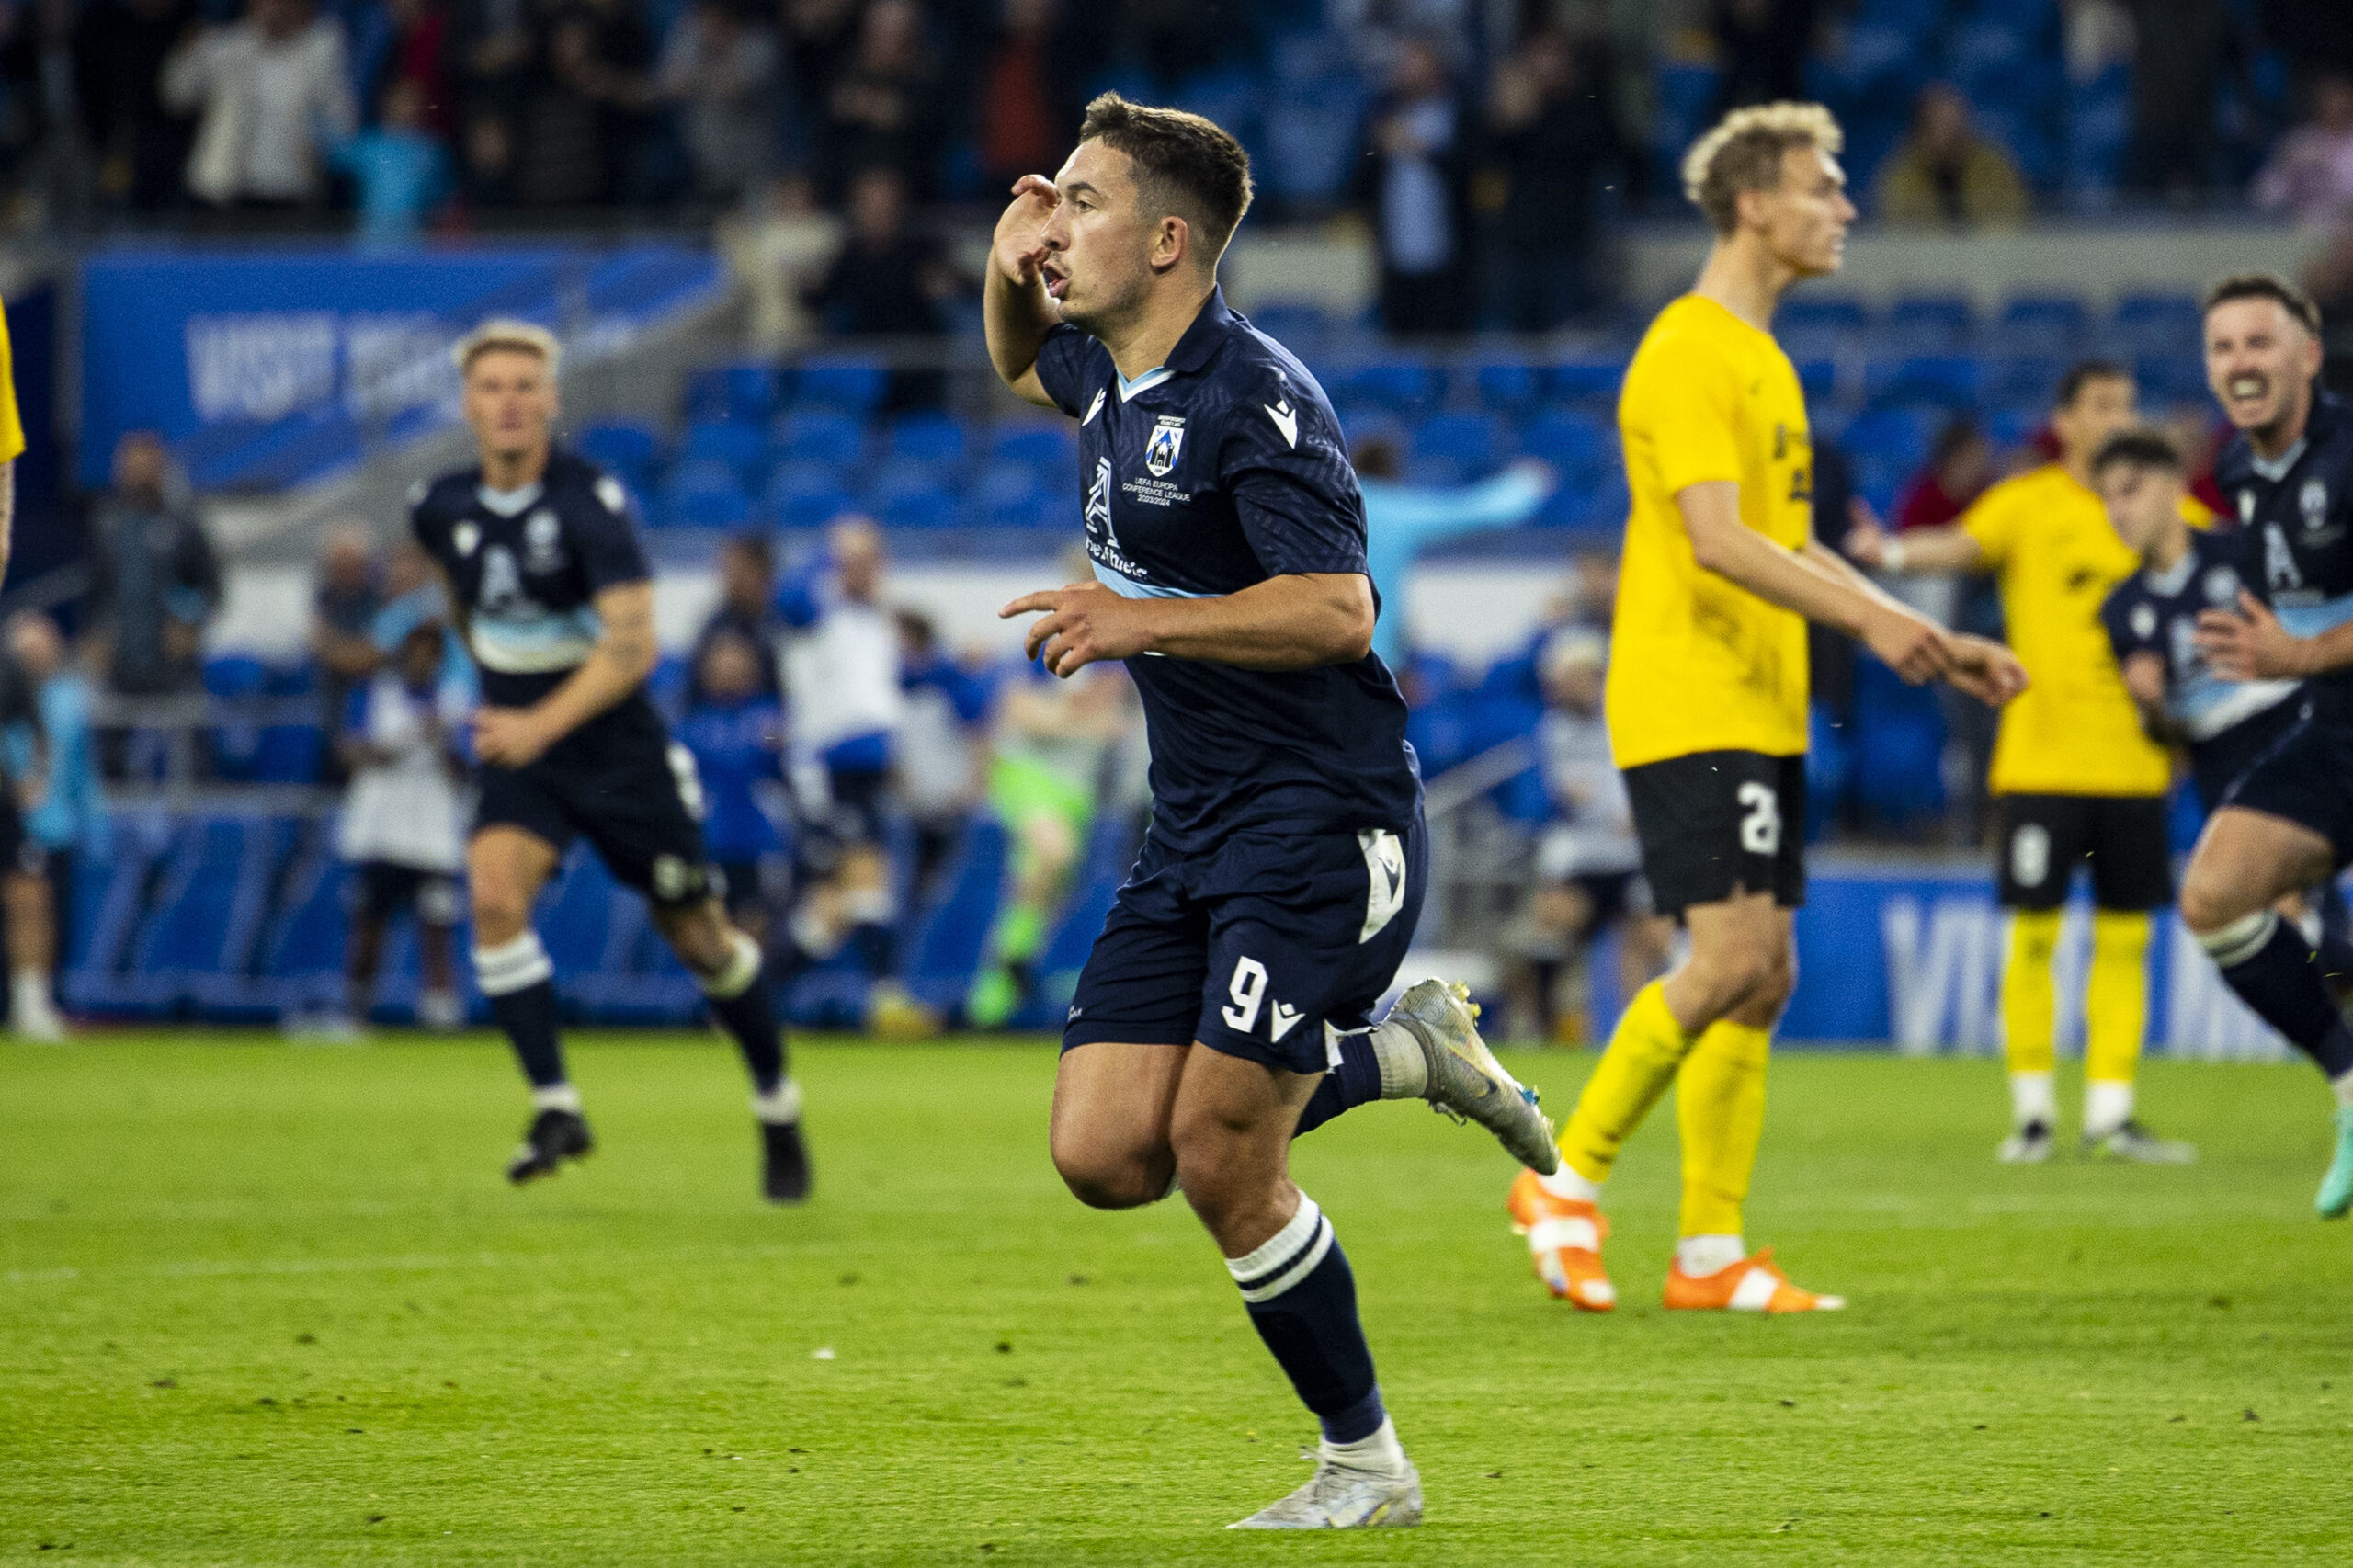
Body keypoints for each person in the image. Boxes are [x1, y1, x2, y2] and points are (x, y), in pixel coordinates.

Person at [984, 90, 1559, 1531]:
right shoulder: (1116, 369)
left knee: (1223, 1153)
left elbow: (1337, 607)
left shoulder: (1257, 394)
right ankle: (1411, 1058)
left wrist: (1140, 619)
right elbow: (1016, 370)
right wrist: (1014, 266)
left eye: (1089, 204)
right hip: (1195, 826)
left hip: (1322, 818)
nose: (1064, 228)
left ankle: (1366, 1466)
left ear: (1170, 240)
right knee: (1104, 1153)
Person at [1507, 102, 2026, 1317]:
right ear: (1753, 202)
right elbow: (1717, 540)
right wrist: (1873, 622)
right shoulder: (1689, 348)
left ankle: (1709, 1251)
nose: (1845, 207)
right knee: (1729, 955)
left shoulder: (1764, 358)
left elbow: (1788, 543)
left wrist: (1926, 629)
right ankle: (1563, 1179)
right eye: (1823, 186)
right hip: (1691, 692)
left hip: (1761, 699)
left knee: (1765, 971)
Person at [410, 319, 809, 1201]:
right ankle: (557, 1104)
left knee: (702, 942)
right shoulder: (439, 506)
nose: (509, 402)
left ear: (552, 402)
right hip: (527, 746)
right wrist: (495, 692)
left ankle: (776, 1103)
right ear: (468, 405)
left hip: (619, 753)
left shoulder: (590, 504)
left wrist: (534, 723)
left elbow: (631, 650)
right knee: (492, 897)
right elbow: (460, 603)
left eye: (526, 386)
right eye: (492, 387)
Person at [1847, 361, 2195, 1165]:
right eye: (2101, 404)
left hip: (2138, 765)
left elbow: (2224, 562)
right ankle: (2034, 1112)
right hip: (2039, 761)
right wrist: (1887, 553)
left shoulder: (2162, 508)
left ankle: (2111, 1113)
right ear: (2065, 420)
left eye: (2128, 404)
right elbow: (1961, 545)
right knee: (2030, 941)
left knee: (2125, 944)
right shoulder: (2030, 501)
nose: (2118, 418)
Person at [2171, 274, 2353, 1218]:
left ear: (2308, 355)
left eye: (2259, 342)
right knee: (2212, 891)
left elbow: (2303, 635)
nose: (2240, 363)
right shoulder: (2238, 477)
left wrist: (2298, 650)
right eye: (2222, 348)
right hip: (2335, 733)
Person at [1499, 629, 1672, 1045]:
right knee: (1551, 926)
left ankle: (1642, 1035)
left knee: (1648, 938)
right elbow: (1565, 793)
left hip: (1630, 854)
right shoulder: (1554, 730)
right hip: (1584, 856)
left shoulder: (1627, 720)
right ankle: (1545, 1026)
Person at [966, 630, 1132, 1029]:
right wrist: (1080, 718)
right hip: (1029, 776)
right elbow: (1022, 714)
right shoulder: (1039, 651)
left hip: (1077, 792)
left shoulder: (1115, 656)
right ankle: (1009, 971)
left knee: (1042, 892)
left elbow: (1113, 724)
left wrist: (1066, 717)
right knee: (1053, 853)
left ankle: (993, 1001)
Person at [331, 615, 470, 1037]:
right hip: (383, 832)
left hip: (432, 835)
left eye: (432, 653)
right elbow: (347, 752)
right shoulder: (377, 694)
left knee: (437, 923)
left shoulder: (456, 702)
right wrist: (390, 749)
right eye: (416, 650)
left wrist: (442, 741)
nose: (423, 660)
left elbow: (467, 772)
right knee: (370, 925)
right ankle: (355, 1012)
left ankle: (440, 1012)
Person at [1351, 437, 1553, 672]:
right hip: (1375, 650)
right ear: (1392, 470)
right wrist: (1527, 483)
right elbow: (1476, 512)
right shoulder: (1392, 509)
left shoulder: (1330, 508)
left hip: (1326, 646)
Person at [161, 0, 358, 212]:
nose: (275, 8)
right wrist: (187, 54)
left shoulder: (318, 51)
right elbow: (176, 98)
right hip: (224, 191)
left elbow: (344, 124)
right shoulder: (225, 45)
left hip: (292, 191)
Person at [777, 517, 900, 849]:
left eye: (873, 561)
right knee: (838, 866)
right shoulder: (816, 611)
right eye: (856, 561)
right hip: (830, 754)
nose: (870, 571)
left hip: (872, 757)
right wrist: (829, 551)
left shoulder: (876, 618)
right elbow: (787, 596)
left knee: (867, 864)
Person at [8, 613, 100, 1038]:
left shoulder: (68, 699)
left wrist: (95, 828)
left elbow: (81, 770)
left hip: (50, 825)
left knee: (46, 914)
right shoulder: (10, 689)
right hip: (13, 816)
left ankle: (37, 1002)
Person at [674, 629, 789, 949]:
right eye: (719, 664)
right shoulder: (691, 725)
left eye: (736, 664)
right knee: (712, 930)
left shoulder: (766, 719)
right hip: (711, 843)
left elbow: (775, 747)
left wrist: (777, 741)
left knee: (756, 927)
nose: (727, 671)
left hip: (758, 844)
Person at [87, 432, 221, 701]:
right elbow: (97, 592)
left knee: (183, 737)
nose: (137, 474)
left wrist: (189, 626)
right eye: (130, 466)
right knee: (111, 734)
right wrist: (96, 636)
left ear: (160, 468)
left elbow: (212, 589)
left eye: (144, 466)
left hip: (173, 665)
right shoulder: (107, 526)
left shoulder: (183, 525)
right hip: (120, 665)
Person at [1354, 37, 1471, 338]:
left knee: (1445, 345)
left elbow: (1473, 173)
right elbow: (1356, 183)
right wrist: (1376, 147)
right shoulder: (1380, 116)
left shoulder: (1460, 113)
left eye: (1420, 65)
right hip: (1395, 257)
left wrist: (1422, 150)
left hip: (1449, 257)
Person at [1874, 84, 2028, 229]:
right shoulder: (1902, 178)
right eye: (1939, 125)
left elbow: (2012, 223)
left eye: (1956, 125)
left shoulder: (1992, 168)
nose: (1950, 135)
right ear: (1920, 130)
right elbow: (1903, 233)